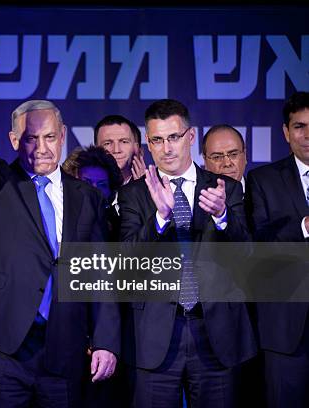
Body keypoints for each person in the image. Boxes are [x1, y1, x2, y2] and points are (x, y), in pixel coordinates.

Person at [0, 49, 120, 407]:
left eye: (50, 138)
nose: (41, 148)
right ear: (13, 141)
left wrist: (105, 340)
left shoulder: (87, 197)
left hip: (65, 344)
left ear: (63, 136)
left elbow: (100, 272)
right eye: (30, 138)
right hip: (4, 343)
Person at [118, 99, 256, 407]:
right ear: (148, 143)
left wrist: (222, 218)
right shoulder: (134, 194)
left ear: (190, 137)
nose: (166, 148)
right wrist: (160, 218)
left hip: (216, 331)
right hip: (155, 334)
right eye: (157, 139)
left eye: (173, 137)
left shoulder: (225, 188)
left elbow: (246, 254)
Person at [246, 91, 309, 407]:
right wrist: (303, 228)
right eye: (300, 126)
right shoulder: (263, 180)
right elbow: (258, 244)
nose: (308, 135)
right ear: (286, 132)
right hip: (287, 330)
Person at [62, 145, 123, 238]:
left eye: (102, 185)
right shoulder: (57, 219)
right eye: (86, 182)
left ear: (111, 192)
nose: (94, 190)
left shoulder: (119, 228)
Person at [94, 114, 146, 185]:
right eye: (107, 143)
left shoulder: (158, 189)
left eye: (124, 142)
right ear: (95, 152)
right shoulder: (84, 189)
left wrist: (143, 189)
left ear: (139, 151)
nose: (116, 150)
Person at [203, 124, 247, 191]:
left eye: (233, 154)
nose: (227, 163)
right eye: (217, 157)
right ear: (205, 161)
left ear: (245, 156)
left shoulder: (261, 195)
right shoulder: (194, 198)